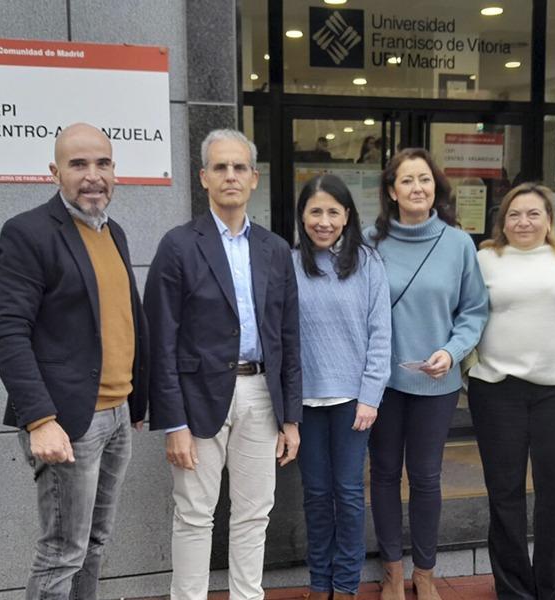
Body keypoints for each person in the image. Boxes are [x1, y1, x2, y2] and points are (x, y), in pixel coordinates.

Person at [0, 122, 149, 600]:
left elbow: (124, 319)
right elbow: (6, 333)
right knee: (62, 552)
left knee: (93, 545)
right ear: (55, 171)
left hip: (116, 416)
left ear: (115, 171)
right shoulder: (28, 233)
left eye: (102, 163)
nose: (92, 175)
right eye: (79, 164)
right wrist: (39, 419)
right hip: (67, 421)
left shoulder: (112, 232)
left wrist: (135, 400)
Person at [144, 129, 302, 600]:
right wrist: (172, 421)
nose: (230, 176)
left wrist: (291, 417)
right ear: (204, 178)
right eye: (220, 167)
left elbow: (288, 337)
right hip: (197, 401)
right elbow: (160, 339)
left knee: (255, 512)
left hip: (261, 396)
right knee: (194, 513)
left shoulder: (275, 249)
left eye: (239, 168)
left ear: (254, 178)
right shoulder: (177, 245)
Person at [466, 182, 555, 600]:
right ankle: (512, 589)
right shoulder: (485, 259)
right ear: (502, 221)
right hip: (497, 391)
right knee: (504, 493)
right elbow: (467, 315)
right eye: (514, 214)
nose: (523, 221)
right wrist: (471, 365)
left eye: (533, 214)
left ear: (549, 220)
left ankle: (550, 588)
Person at [365, 148, 489, 600]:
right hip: (382, 384)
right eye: (407, 181)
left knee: (426, 477)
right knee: (382, 473)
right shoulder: (368, 243)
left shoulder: (458, 243)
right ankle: (392, 571)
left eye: (425, 179)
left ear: (436, 186)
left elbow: (474, 310)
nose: (418, 188)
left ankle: (425, 572)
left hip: (436, 382)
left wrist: (451, 351)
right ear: (391, 191)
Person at [293, 175, 391, 600]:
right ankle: (319, 583)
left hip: (353, 401)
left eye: (334, 211)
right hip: (305, 401)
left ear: (348, 216)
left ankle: (347, 584)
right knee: (315, 495)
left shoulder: (368, 264)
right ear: (302, 216)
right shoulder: (290, 262)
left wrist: (370, 396)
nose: (324, 220)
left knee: (349, 494)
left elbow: (380, 333)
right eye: (315, 211)